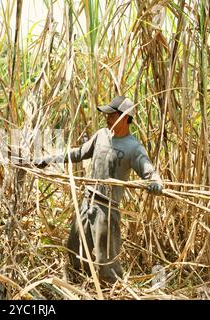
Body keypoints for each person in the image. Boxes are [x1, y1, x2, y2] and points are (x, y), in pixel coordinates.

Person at [34, 96, 163, 283]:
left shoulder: (134, 148)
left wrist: (156, 182)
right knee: (74, 250)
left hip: (107, 209)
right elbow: (79, 153)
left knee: (105, 262)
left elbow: (148, 170)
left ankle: (114, 290)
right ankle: (81, 288)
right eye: (107, 115)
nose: (107, 118)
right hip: (87, 203)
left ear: (125, 117)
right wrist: (50, 159)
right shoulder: (101, 135)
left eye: (111, 115)